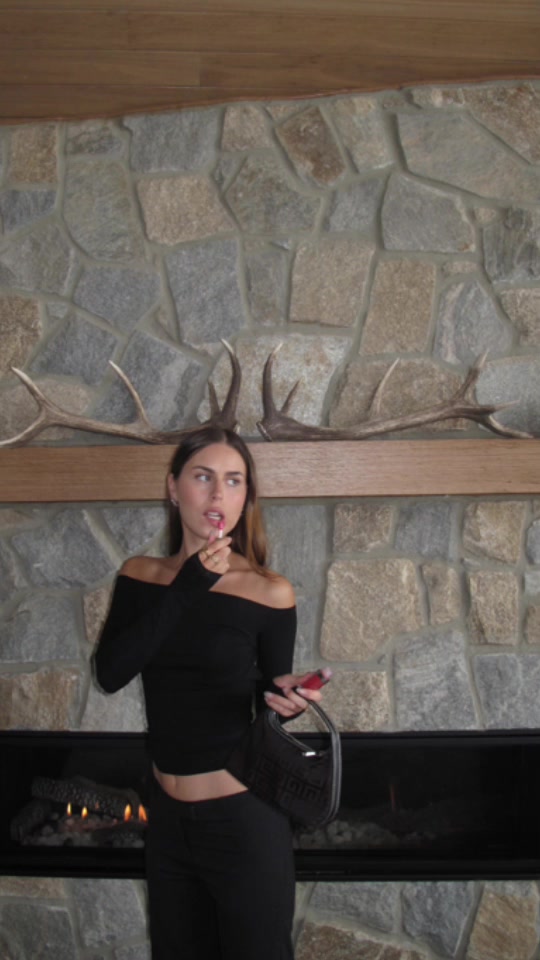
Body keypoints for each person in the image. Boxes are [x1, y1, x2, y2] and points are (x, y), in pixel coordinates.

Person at [94, 426, 325, 960]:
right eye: (203, 477)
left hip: (243, 819)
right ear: (173, 488)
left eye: (234, 480)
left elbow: (269, 704)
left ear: (246, 497)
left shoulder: (270, 590)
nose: (219, 493)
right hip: (167, 822)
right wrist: (188, 585)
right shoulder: (140, 576)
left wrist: (288, 699)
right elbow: (110, 673)